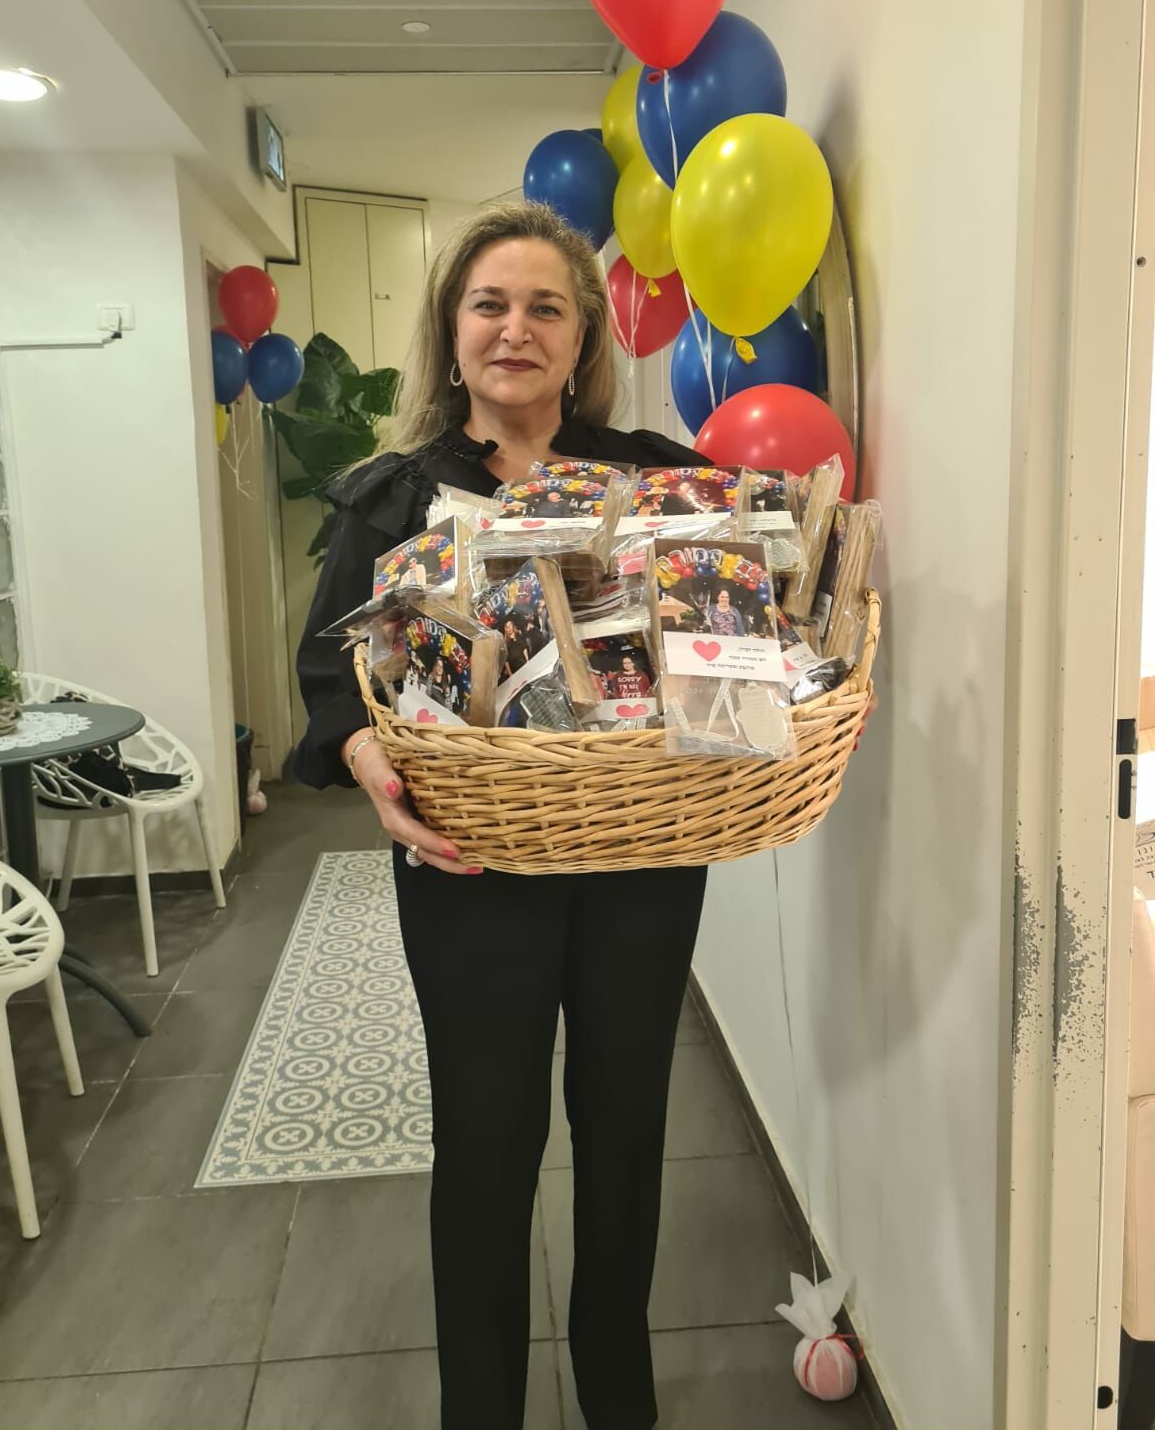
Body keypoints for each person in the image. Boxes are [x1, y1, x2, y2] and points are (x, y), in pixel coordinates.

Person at [294, 200, 711, 1430]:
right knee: (485, 1144)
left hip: (638, 860)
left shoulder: (654, 480)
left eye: (545, 307)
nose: (515, 328)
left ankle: (619, 1398)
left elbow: (748, 607)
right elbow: (331, 677)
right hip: (469, 863)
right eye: (490, 304)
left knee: (627, 1130)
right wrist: (367, 758)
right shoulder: (390, 499)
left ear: (582, 338)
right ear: (453, 328)